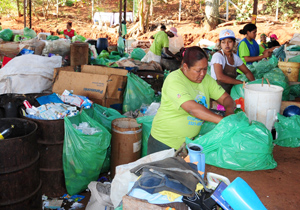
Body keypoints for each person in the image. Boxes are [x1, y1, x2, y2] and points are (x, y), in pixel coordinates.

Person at [147, 46, 235, 154]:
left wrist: (229, 113)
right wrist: (223, 122)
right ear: (185, 67)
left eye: (205, 69)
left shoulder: (206, 80)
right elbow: (192, 109)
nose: (202, 74)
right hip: (164, 144)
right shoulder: (174, 80)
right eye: (198, 70)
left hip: (188, 144)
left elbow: (226, 98)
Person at [211, 29, 255, 94]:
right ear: (220, 44)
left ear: (234, 43)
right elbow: (220, 77)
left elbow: (247, 72)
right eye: (223, 42)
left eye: (229, 41)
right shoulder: (218, 56)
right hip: (216, 92)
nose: (227, 45)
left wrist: (254, 84)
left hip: (228, 91)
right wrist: (240, 82)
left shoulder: (235, 58)